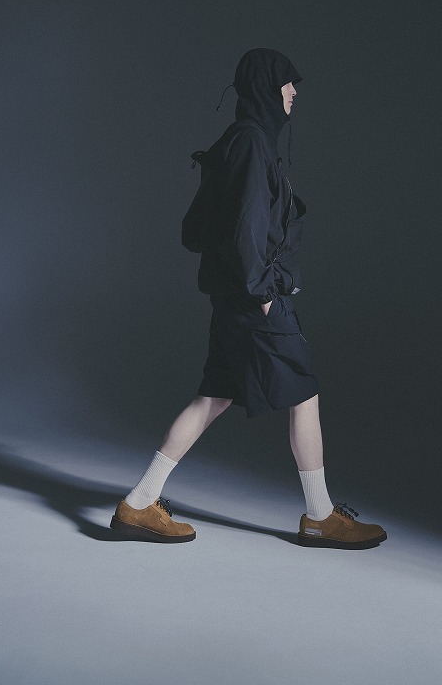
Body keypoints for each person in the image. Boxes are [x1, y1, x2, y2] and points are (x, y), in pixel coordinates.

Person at [110, 48, 387, 550]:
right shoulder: (254, 143)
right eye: (287, 83)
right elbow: (246, 226)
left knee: (213, 395)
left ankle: (138, 503)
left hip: (233, 295)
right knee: (303, 393)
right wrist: (262, 295)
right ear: (265, 87)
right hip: (253, 297)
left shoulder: (241, 139)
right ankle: (320, 517)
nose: (294, 92)